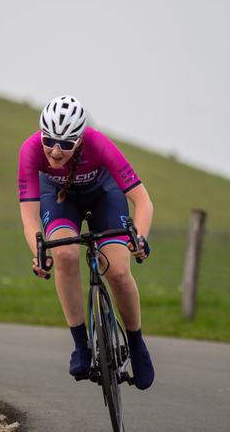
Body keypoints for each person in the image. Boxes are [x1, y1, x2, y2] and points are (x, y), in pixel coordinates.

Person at [18, 95, 154, 390]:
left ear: (79, 140)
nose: (55, 151)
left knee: (117, 271)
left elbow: (143, 201)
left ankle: (137, 344)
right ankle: (81, 345)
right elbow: (29, 217)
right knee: (64, 255)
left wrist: (139, 237)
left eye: (66, 143)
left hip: (104, 194)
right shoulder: (30, 150)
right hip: (59, 198)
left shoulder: (99, 143)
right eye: (49, 139)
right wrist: (40, 256)